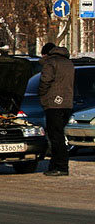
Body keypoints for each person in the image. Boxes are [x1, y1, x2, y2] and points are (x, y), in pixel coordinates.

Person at [38, 42, 73, 176]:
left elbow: (45, 81)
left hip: (53, 103)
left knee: (55, 137)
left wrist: (42, 95)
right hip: (67, 103)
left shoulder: (51, 62)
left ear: (47, 53)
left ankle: (61, 167)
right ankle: (55, 165)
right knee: (59, 135)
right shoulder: (68, 63)